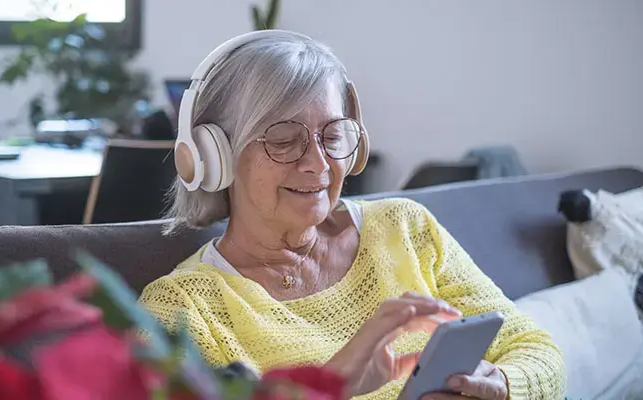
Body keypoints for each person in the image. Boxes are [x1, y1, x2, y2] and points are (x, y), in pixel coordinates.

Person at [138, 30, 565, 400]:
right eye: (283, 139)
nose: (319, 164)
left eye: (333, 135)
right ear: (215, 157)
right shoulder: (182, 310)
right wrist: (330, 385)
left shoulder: (405, 229)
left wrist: (503, 383)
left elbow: (536, 348)